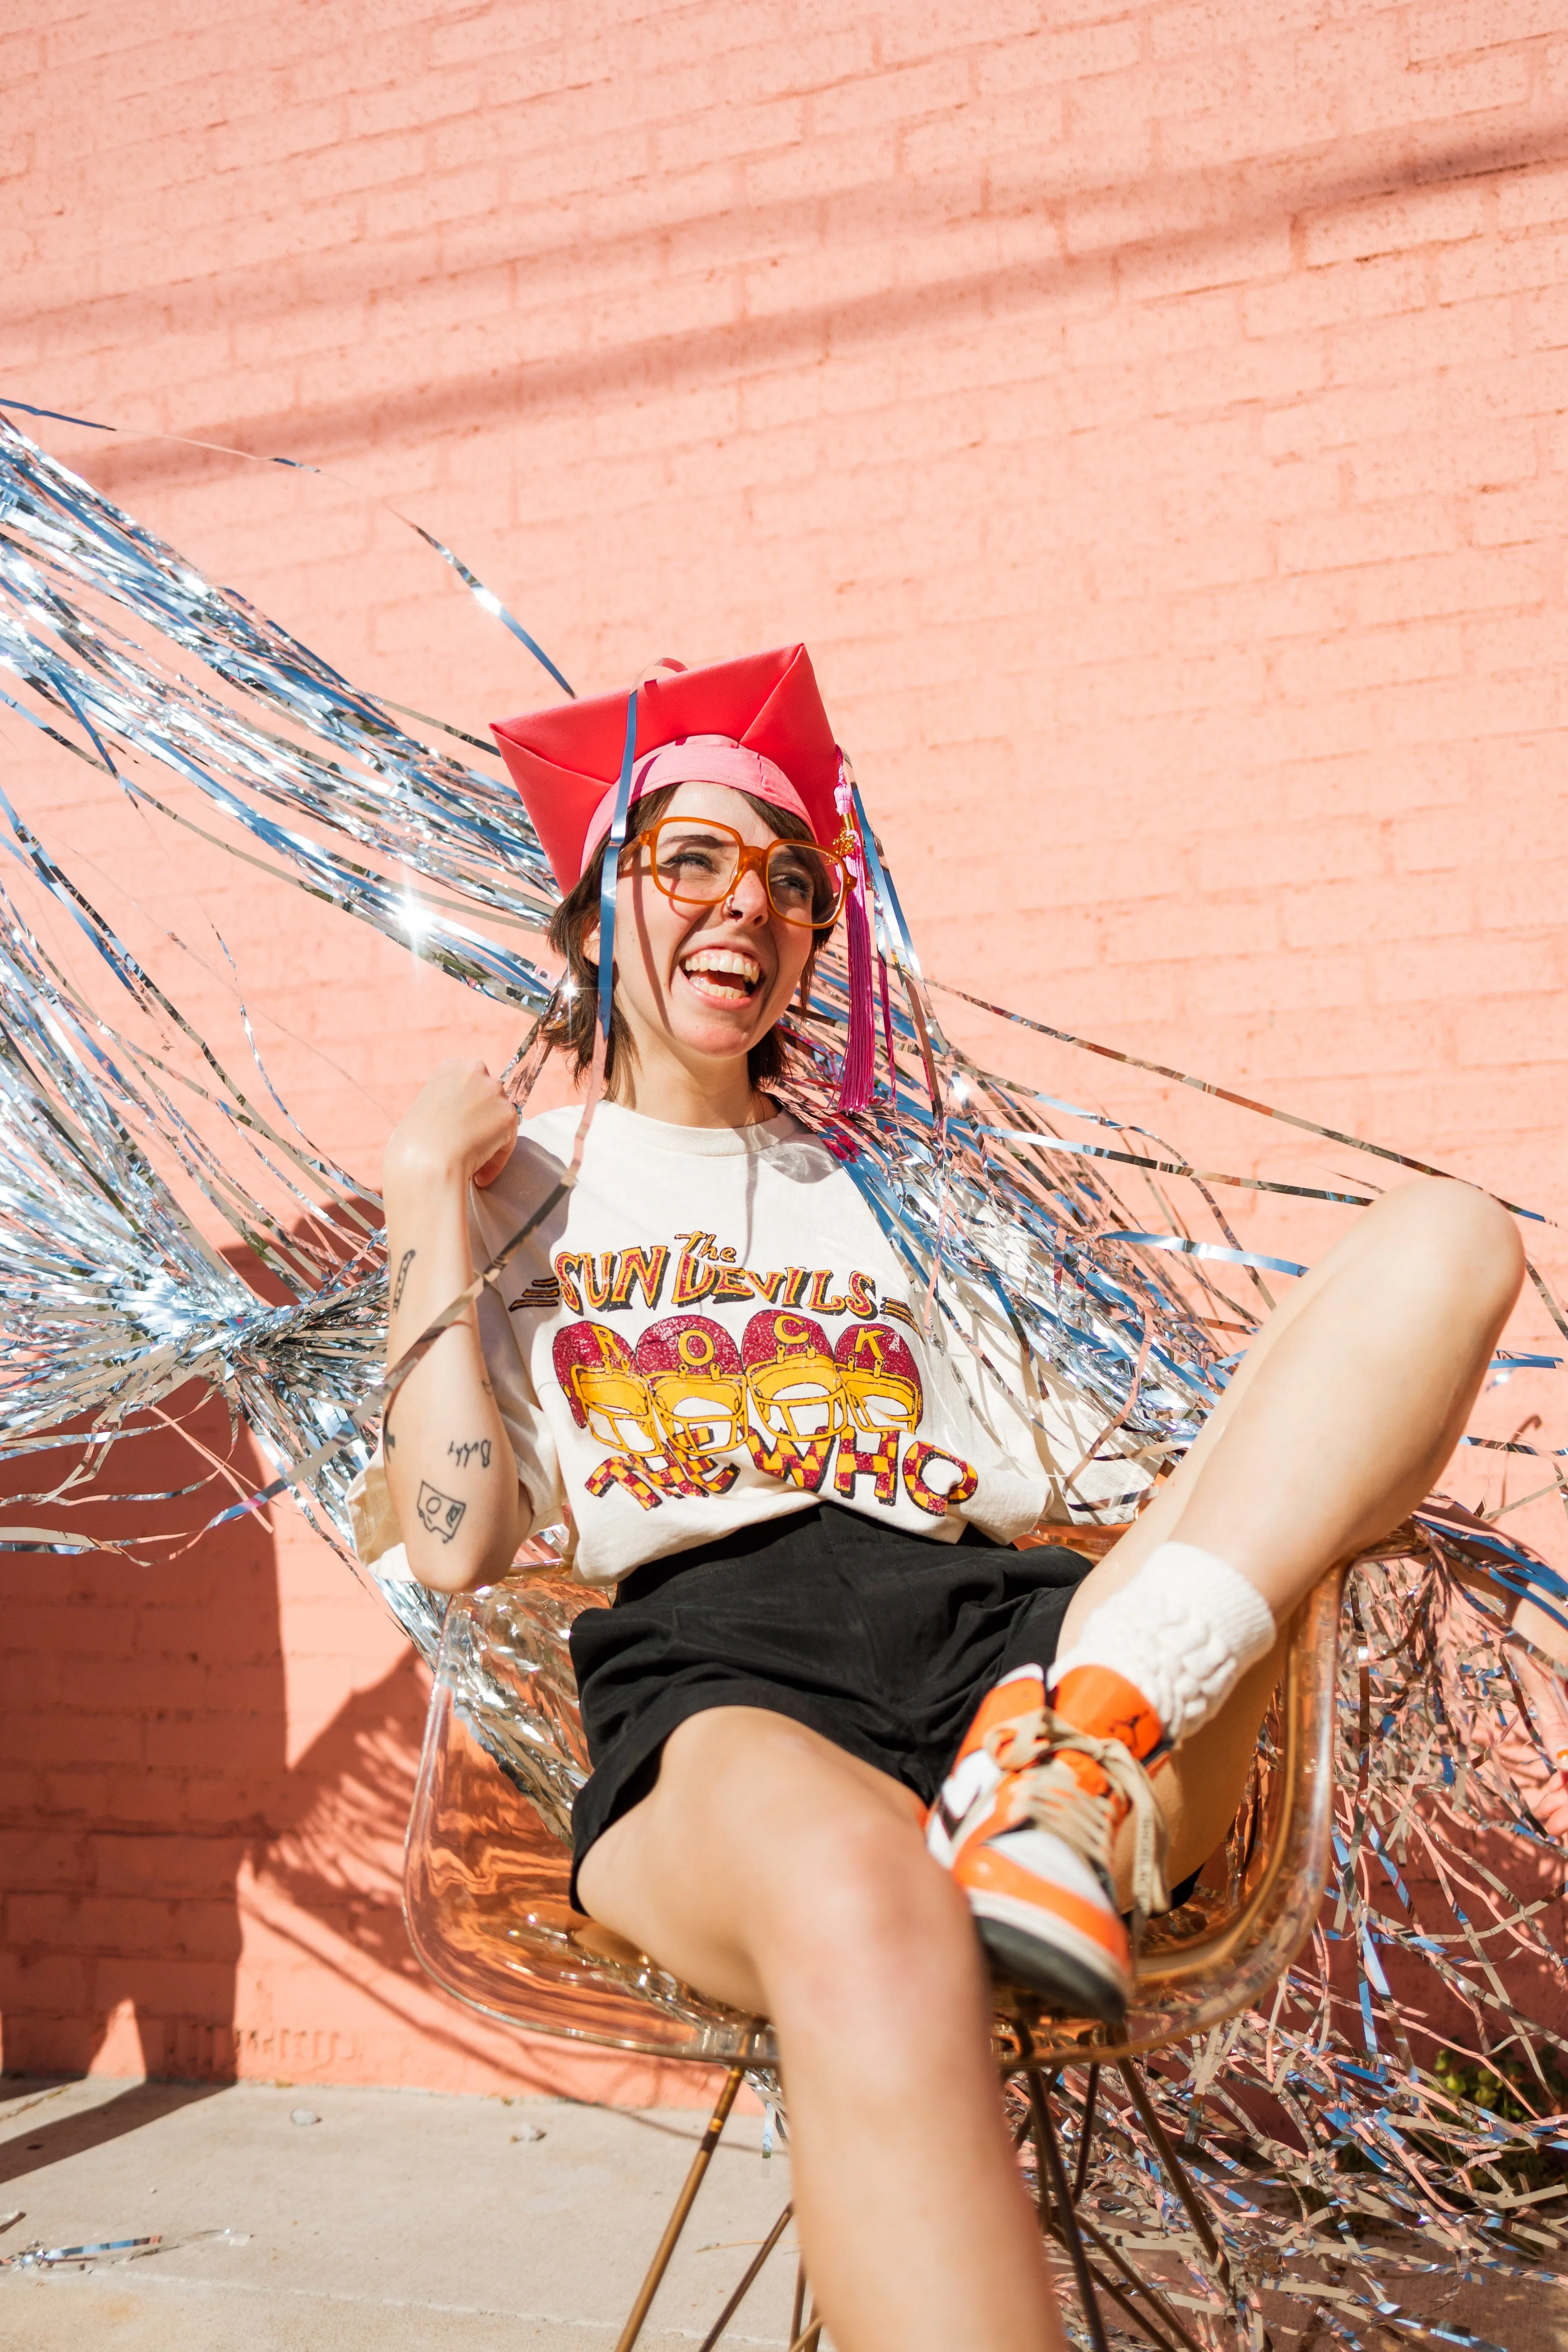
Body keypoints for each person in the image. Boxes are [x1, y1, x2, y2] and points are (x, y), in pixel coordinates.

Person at [372, 646, 1524, 2352]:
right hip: (726, 1691)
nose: (747, 909)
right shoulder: (515, 1197)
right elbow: (460, 1540)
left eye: (789, 883)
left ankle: (1080, 1752)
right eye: (692, 859)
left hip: (1022, 1653)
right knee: (867, 1899)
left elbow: (1093, 1463)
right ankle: (1047, 1787)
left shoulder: (888, 1207)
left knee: (1450, 1241)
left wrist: (1315, 1465)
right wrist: (418, 1209)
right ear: (597, 897)